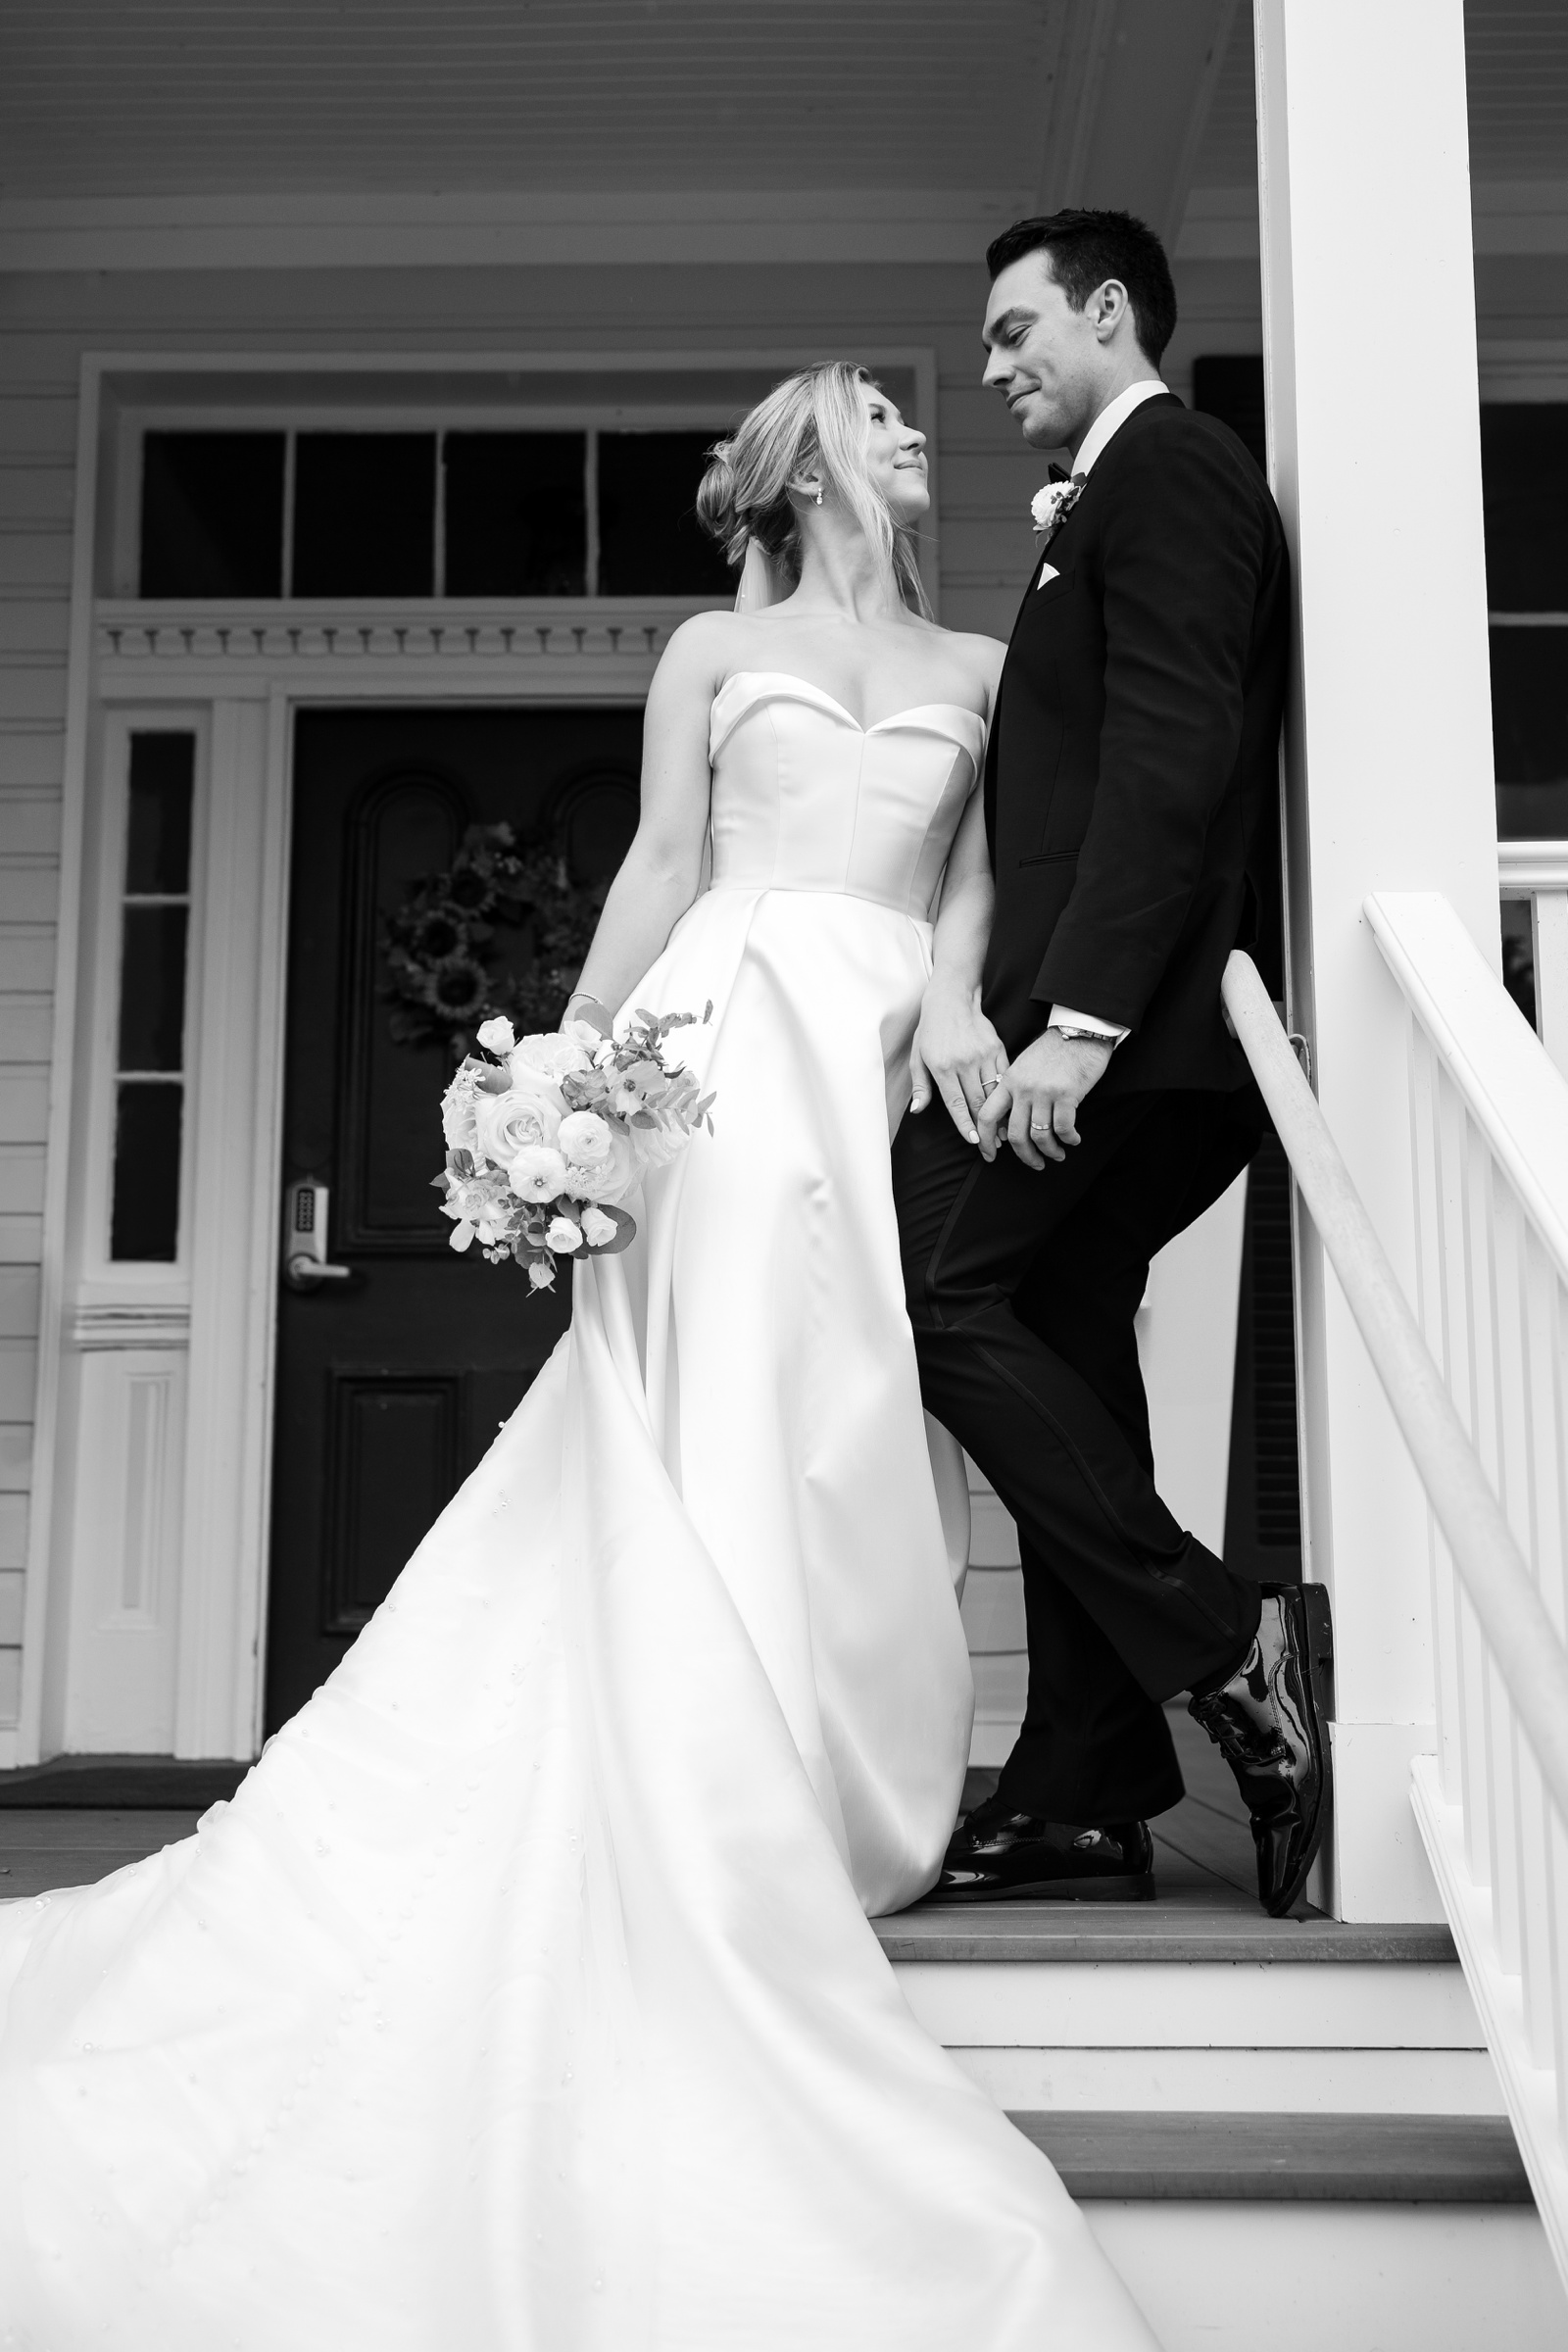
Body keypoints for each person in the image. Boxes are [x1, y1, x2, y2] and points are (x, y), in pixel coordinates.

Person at [0, 363, 1156, 2349]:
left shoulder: (977, 657)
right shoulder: (712, 642)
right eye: (877, 413)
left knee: (851, 1415)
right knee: (700, 1398)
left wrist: (962, 1006)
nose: (910, 433)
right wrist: (560, 1073)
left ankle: (826, 1774)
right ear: (803, 460)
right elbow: (654, 862)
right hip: (719, 1039)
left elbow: (976, 874)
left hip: (877, 1044)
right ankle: (697, 1786)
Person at [895, 209, 1332, 1920]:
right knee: (1058, 1341)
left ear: (1104, 313)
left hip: (1134, 1044)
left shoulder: (1181, 472)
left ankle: (1232, 1640)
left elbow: (1171, 752)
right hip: (1092, 1032)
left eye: (1016, 332)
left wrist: (1072, 1023)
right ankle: (1087, 1786)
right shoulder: (1109, 497)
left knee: (935, 1295)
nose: (995, 366)